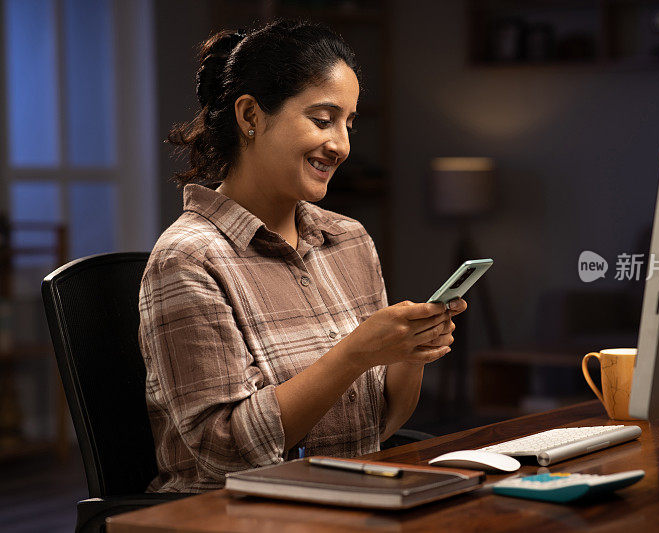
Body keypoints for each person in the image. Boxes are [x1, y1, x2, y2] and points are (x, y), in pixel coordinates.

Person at [138, 20, 467, 493]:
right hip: (233, 516)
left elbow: (379, 424)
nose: (341, 145)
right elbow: (224, 452)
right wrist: (354, 354)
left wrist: (408, 352)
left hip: (348, 498)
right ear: (250, 116)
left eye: (348, 124)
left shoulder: (348, 239)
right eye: (322, 119)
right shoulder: (187, 260)